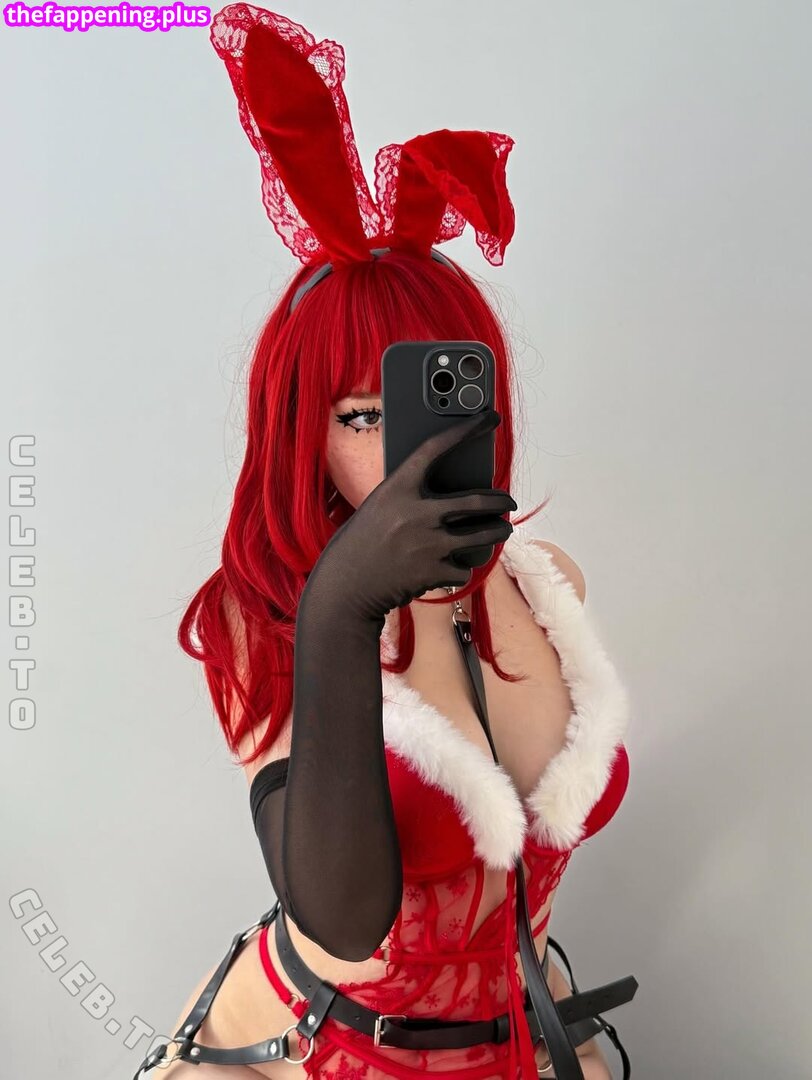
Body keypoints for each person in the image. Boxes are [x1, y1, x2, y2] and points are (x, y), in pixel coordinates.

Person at [133, 6, 636, 1078]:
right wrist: (340, 607)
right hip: (327, 1052)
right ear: (302, 431)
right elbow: (344, 923)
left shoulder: (548, 587)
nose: (410, 446)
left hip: (525, 1037)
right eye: (363, 416)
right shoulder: (261, 616)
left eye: (443, 400)